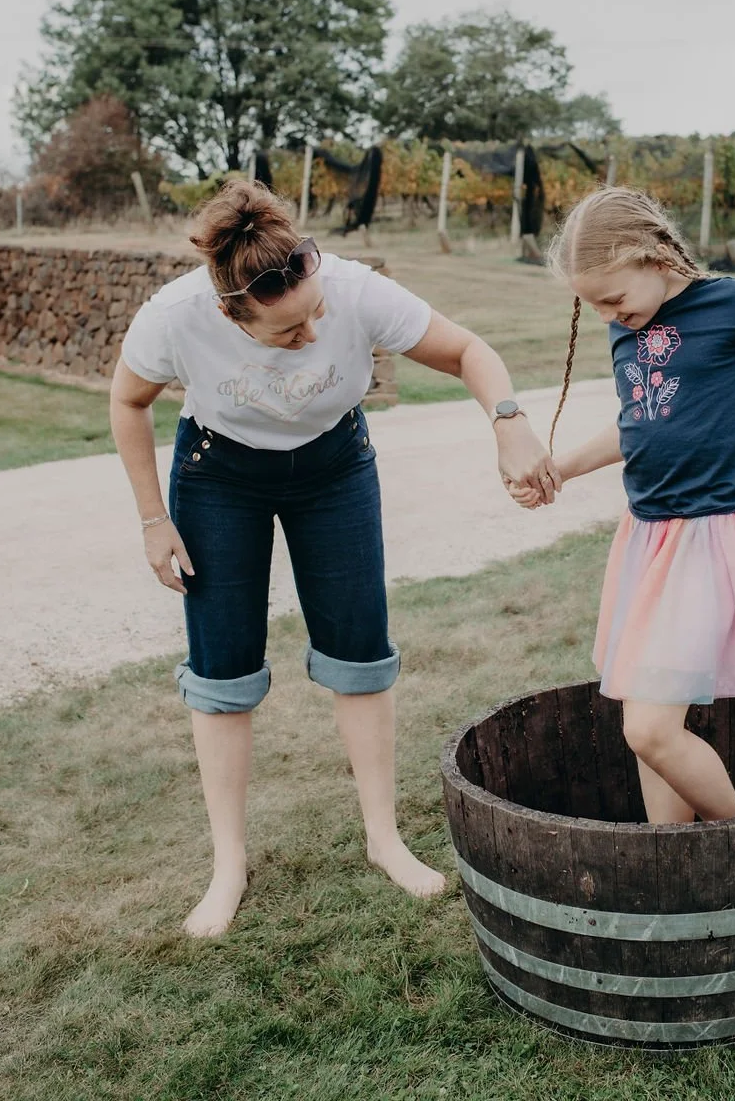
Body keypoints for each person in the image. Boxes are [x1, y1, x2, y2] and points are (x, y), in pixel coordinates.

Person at [110, 181, 559, 936]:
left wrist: (508, 421)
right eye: (288, 331)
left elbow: (466, 350)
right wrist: (153, 519)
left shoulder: (353, 288)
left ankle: (384, 839)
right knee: (221, 664)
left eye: (317, 312)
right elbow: (128, 401)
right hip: (218, 475)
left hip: (334, 468)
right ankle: (229, 863)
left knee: (359, 645)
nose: (315, 333)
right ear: (231, 312)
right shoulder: (176, 316)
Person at [508, 187, 735, 826]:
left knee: (649, 729)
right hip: (649, 538)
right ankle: (674, 867)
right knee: (648, 725)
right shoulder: (628, 328)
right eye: (591, 305)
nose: (607, 316)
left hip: (714, 535)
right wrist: (558, 468)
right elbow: (639, 423)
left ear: (654, 256)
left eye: (613, 298)